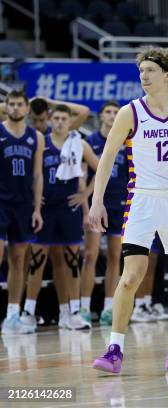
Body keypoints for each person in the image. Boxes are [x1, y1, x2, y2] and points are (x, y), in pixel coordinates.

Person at [90, 47, 168, 374]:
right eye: (141, 71)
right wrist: (97, 200)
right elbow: (106, 158)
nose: (143, 76)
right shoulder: (130, 112)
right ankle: (114, 349)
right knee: (132, 274)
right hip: (142, 200)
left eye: (150, 70)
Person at [22, 104, 98, 331]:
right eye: (56, 118)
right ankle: (28, 312)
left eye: (64, 118)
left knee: (73, 262)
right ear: (49, 119)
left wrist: (86, 194)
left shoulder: (79, 143)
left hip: (69, 209)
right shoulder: (41, 143)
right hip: (45, 210)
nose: (60, 122)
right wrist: (33, 199)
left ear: (70, 121)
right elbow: (29, 173)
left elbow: (102, 165)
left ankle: (73, 312)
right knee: (37, 262)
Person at [0, 89, 44, 334]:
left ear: (27, 108)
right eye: (11, 104)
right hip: (1, 203)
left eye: (20, 104)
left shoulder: (36, 137)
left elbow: (38, 175)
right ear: (5, 107)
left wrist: (37, 208)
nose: (15, 108)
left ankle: (12, 315)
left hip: (24, 205)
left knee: (18, 260)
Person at [80, 101, 125, 326]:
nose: (112, 115)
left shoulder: (126, 141)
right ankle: (84, 307)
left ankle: (109, 307)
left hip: (119, 203)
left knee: (116, 257)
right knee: (90, 255)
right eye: (108, 112)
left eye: (116, 112)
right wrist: (86, 205)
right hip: (98, 203)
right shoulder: (91, 141)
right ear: (100, 116)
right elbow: (84, 175)